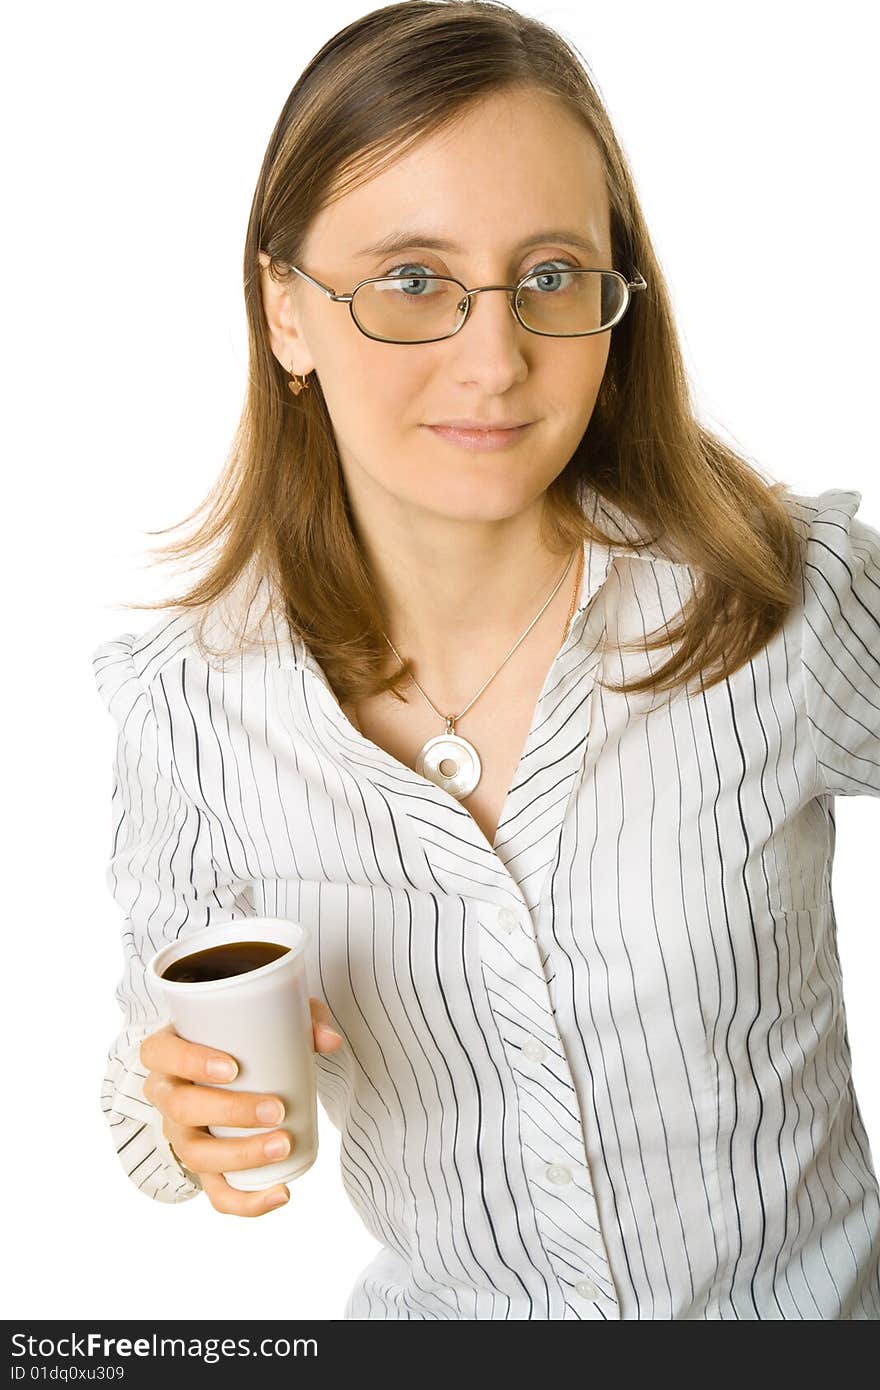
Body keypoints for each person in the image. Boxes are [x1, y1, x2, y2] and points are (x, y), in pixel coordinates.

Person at [91, 0, 880, 1319]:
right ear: (286, 311)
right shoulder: (193, 713)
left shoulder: (773, 604)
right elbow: (150, 1078)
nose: (497, 358)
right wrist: (176, 1108)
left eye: (551, 274)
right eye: (412, 280)